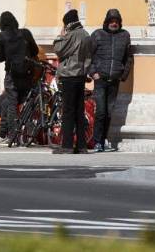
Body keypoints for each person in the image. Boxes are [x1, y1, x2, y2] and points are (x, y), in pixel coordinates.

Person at [89, 9, 133, 152]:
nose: (114, 24)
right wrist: (93, 72)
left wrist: (123, 75)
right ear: (106, 22)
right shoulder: (97, 35)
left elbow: (128, 58)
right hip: (100, 79)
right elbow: (88, 56)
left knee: (108, 113)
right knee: (101, 112)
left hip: (114, 80)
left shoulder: (125, 36)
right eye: (111, 21)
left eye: (116, 22)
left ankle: (103, 141)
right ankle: (97, 142)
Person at [0, 11, 39, 144]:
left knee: (12, 105)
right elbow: (35, 51)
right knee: (27, 104)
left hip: (12, 75)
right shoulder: (26, 33)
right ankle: (29, 136)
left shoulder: (1, 36)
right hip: (27, 74)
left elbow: (0, 58)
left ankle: (12, 136)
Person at [52, 9, 92, 154]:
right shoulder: (86, 34)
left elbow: (58, 49)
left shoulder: (71, 35)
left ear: (68, 23)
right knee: (79, 112)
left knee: (68, 111)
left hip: (69, 75)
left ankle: (67, 145)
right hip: (81, 75)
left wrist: (61, 35)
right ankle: (81, 146)